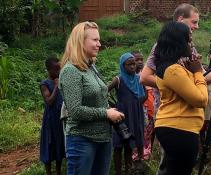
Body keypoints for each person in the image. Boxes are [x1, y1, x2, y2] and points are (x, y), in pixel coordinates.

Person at [59, 21, 125, 175]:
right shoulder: (71, 71)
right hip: (82, 140)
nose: (99, 44)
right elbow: (75, 111)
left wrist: (109, 110)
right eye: (94, 40)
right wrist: (105, 113)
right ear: (80, 41)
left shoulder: (90, 67)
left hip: (103, 139)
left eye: (99, 40)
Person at [154, 21, 208, 175]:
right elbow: (200, 99)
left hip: (177, 128)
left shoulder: (173, 66)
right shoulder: (173, 70)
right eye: (189, 38)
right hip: (179, 129)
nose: (191, 43)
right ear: (179, 41)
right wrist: (198, 72)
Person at [108, 53, 146, 174]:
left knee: (130, 145)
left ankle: (128, 171)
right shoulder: (118, 79)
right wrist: (112, 106)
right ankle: (118, 171)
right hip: (121, 116)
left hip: (135, 114)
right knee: (118, 146)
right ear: (122, 66)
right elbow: (104, 91)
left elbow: (145, 94)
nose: (132, 67)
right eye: (128, 64)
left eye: (133, 64)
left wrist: (136, 104)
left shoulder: (139, 79)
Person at [39, 57, 65, 175]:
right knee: (49, 144)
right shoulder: (45, 84)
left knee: (59, 142)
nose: (58, 72)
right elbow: (49, 101)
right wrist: (56, 86)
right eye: (55, 69)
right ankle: (48, 172)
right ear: (49, 70)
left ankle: (58, 171)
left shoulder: (60, 81)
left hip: (60, 118)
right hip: (50, 119)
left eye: (59, 69)